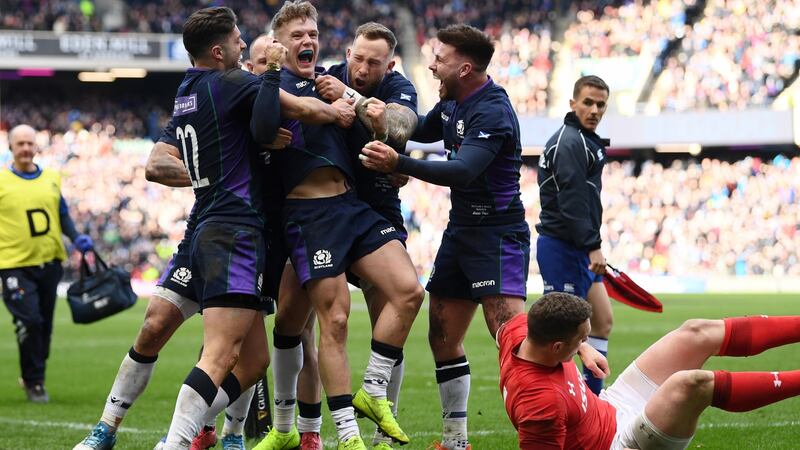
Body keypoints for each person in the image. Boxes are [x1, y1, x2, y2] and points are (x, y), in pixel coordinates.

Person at [252, 3, 424, 449]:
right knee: (316, 321)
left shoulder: (340, 81)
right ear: (278, 44)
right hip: (307, 218)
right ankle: (330, 434)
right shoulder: (272, 86)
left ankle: (373, 391)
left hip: (360, 206)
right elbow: (265, 118)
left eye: (312, 32)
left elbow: (401, 127)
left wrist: (348, 101)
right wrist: (322, 108)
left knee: (408, 291)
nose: (307, 40)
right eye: (296, 35)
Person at [360, 24, 529, 450]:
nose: (432, 64)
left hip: (497, 234)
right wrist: (365, 105)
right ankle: (456, 441)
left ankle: (548, 430)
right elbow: (417, 129)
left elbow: (462, 170)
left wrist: (398, 162)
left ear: (465, 67)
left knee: (513, 341)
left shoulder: (491, 110)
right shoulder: (453, 101)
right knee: (442, 337)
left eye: (440, 58)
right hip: (461, 232)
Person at [497, 292, 800, 449]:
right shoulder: (540, 406)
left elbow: (509, 322)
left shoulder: (521, 331)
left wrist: (582, 348)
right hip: (622, 443)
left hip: (613, 406)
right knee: (688, 384)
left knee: (695, 332)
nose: (586, 342)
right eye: (582, 338)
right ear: (557, 347)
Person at [0, 124, 94, 404]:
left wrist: (77, 237)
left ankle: (34, 375)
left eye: (30, 143)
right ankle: (34, 382)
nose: (26, 148)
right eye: (21, 144)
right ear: (11, 148)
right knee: (30, 321)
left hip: (50, 262)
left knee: (45, 326)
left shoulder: (52, 178)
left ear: (36, 146)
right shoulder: (2, 181)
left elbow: (62, 214)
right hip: (13, 264)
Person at [535, 75, 613, 395]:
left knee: (602, 321)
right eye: (587, 102)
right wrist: (593, 247)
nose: (594, 110)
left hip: (577, 246)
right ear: (572, 104)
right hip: (563, 247)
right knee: (564, 335)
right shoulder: (571, 142)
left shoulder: (583, 140)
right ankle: (554, 400)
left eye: (600, 104)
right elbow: (572, 201)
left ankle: (590, 400)